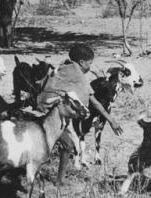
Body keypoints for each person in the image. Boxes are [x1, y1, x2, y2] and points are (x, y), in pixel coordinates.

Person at [37, 44, 123, 184]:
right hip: (52, 117)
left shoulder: (63, 68)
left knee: (67, 145)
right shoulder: (77, 75)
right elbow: (93, 101)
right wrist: (111, 120)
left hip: (46, 111)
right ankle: (52, 179)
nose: (90, 67)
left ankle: (57, 179)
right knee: (64, 145)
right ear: (82, 62)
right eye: (89, 64)